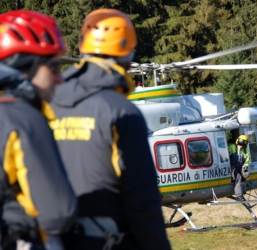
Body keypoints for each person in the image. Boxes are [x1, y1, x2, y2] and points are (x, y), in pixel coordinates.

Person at [49, 8, 170, 250]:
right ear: (128, 53)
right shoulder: (121, 112)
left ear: (82, 47)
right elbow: (142, 200)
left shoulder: (48, 101)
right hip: (107, 240)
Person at [0, 10, 77, 250]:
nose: (59, 79)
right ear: (25, 68)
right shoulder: (23, 117)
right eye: (53, 67)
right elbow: (58, 212)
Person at [229, 134, 251, 200]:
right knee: (238, 177)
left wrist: (245, 167)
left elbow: (248, 160)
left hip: (240, 167)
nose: (241, 146)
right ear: (237, 141)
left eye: (243, 144)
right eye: (240, 143)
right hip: (232, 167)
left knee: (246, 175)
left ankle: (242, 189)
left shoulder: (245, 151)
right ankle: (239, 195)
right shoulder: (232, 147)